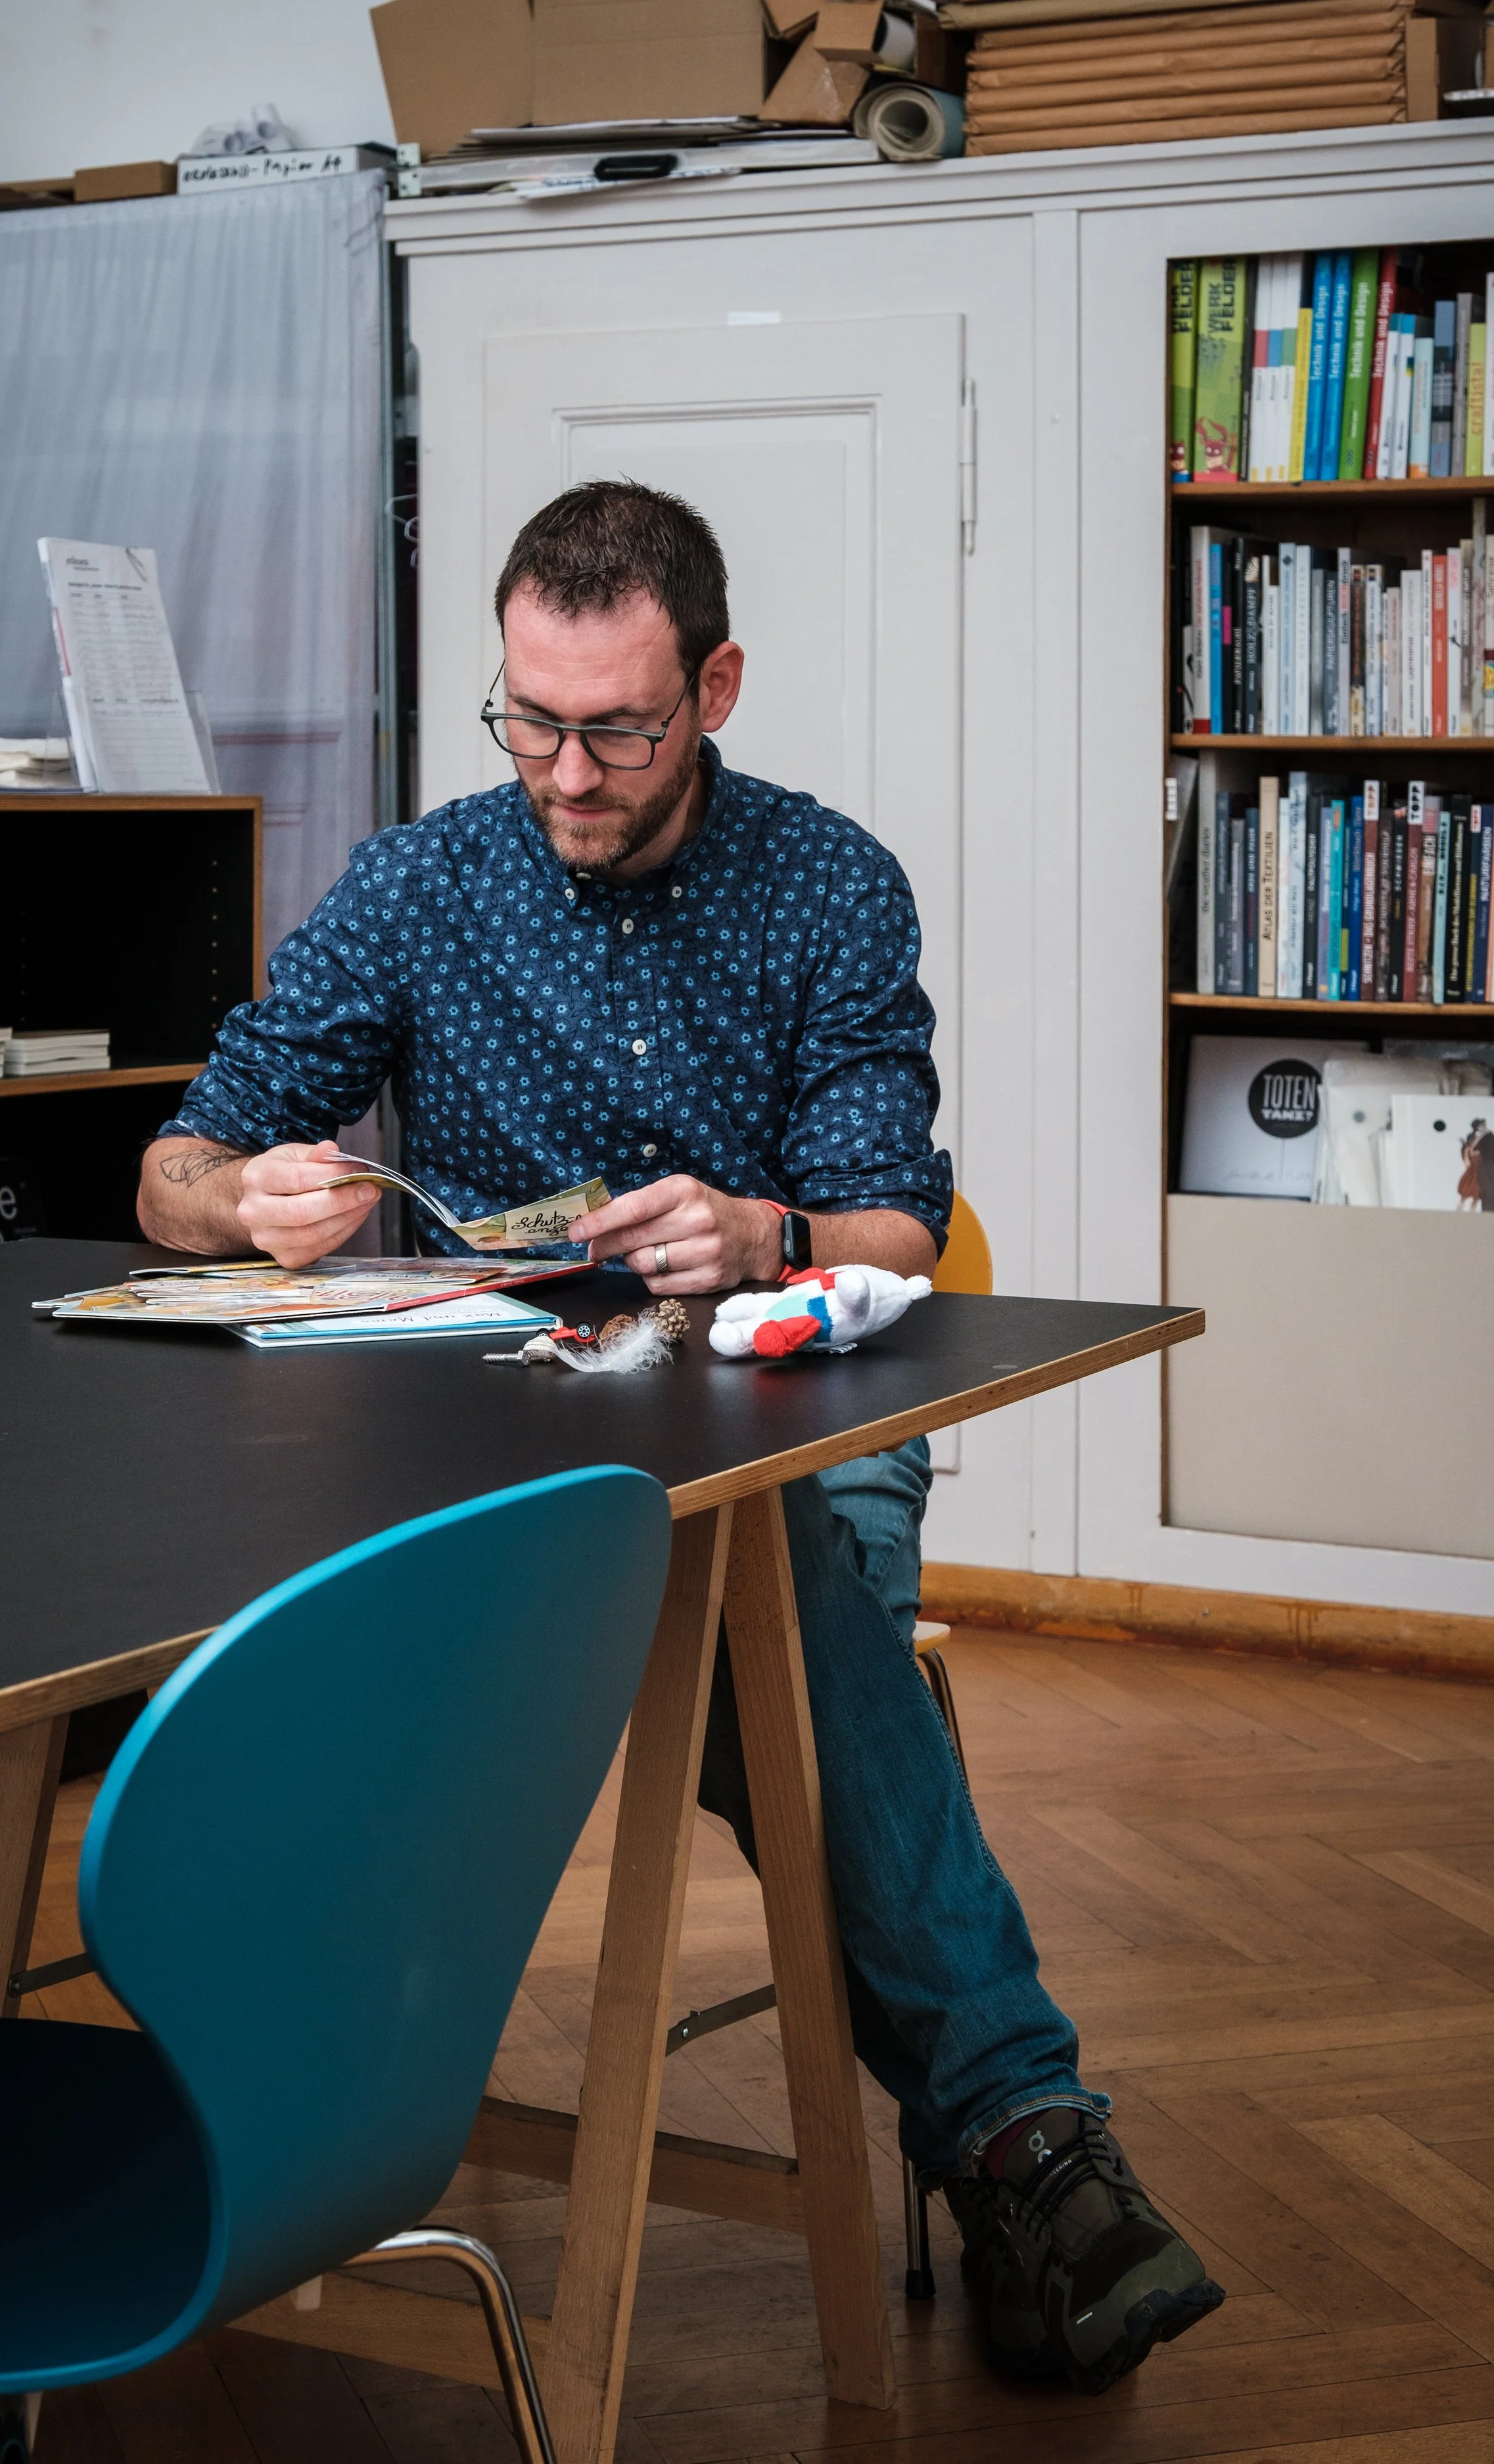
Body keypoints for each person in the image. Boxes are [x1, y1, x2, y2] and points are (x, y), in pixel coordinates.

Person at [139, 480, 1223, 2392]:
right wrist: (243, 1206)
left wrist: (758, 1233)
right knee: (697, 1600)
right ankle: (1021, 2149)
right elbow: (172, 1168)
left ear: (712, 686)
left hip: (797, 1403)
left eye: (617, 730)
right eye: (529, 719)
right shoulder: (415, 886)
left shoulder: (828, 881)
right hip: (494, 1434)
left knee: (764, 1561)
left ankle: (299, 2115)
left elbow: (897, 1234)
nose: (564, 770)